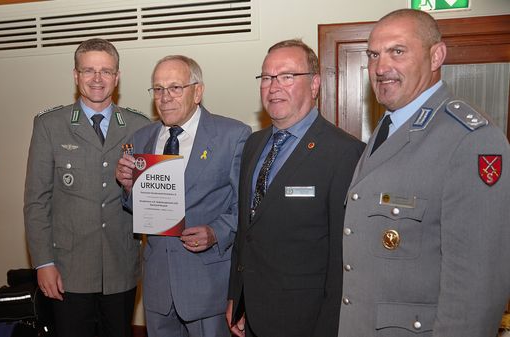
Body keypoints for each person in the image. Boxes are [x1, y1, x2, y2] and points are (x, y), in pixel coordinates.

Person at [338, 9, 510, 337]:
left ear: (436, 56)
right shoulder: (390, 126)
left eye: (397, 51)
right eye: (374, 54)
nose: (381, 67)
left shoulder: (470, 140)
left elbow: (477, 290)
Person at [227, 39, 365, 337]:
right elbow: (245, 231)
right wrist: (237, 297)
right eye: (266, 77)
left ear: (314, 84)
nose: (273, 86)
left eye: (287, 76)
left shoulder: (344, 153)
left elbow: (342, 257)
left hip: (306, 318)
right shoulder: (253, 144)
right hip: (253, 311)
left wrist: (329, 327)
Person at [115, 55, 251, 337]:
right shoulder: (142, 139)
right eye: (158, 89)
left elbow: (246, 206)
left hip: (207, 285)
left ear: (197, 91)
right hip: (158, 287)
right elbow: (141, 208)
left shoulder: (233, 135)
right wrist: (128, 188)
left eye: (175, 87)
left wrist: (216, 232)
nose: (165, 98)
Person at [24, 38, 150, 337]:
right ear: (76, 75)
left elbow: (149, 196)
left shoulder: (139, 126)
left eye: (106, 71)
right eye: (89, 70)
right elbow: (36, 202)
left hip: (121, 267)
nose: (97, 79)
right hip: (68, 269)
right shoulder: (50, 125)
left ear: (117, 77)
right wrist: (43, 263)